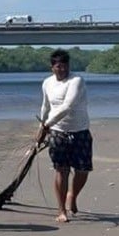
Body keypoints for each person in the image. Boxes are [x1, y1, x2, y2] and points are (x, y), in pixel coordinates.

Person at [37, 49, 92, 223]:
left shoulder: (76, 81)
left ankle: (73, 196)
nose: (62, 70)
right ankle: (61, 210)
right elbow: (45, 107)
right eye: (58, 66)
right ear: (52, 67)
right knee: (62, 170)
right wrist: (41, 128)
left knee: (82, 170)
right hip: (58, 132)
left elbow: (67, 106)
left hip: (80, 130)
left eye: (65, 66)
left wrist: (47, 125)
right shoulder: (47, 83)